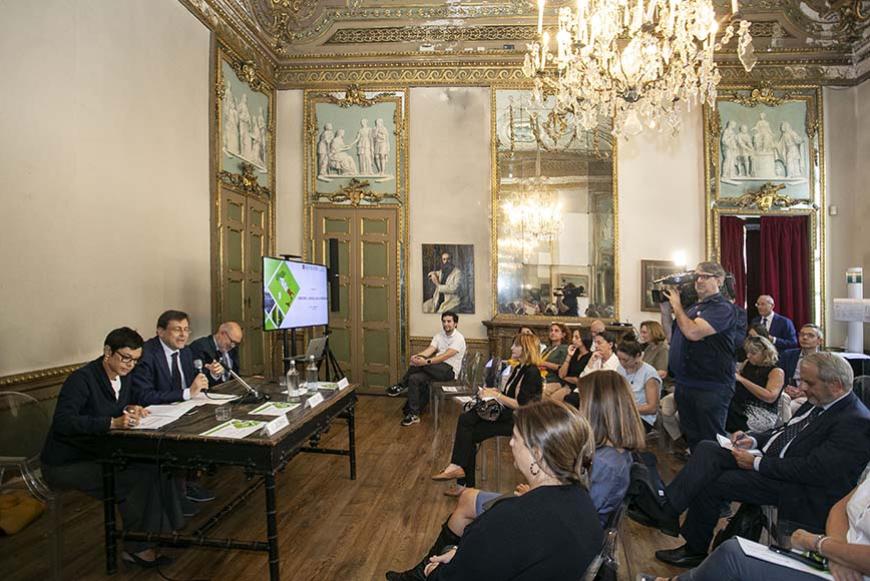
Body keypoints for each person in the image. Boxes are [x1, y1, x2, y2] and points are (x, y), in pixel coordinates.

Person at [632, 352, 870, 568]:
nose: (802, 388)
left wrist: (755, 463)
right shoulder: (820, 400)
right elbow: (786, 432)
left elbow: (814, 470)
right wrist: (753, 440)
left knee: (714, 481)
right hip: (774, 463)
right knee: (706, 448)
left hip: (798, 486)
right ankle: (669, 512)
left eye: (809, 383)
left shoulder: (854, 421)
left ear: (836, 386)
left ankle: (687, 540)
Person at [386, 400, 603, 581]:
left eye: (515, 438)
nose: (510, 444)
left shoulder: (511, 518)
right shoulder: (584, 504)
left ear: (536, 454)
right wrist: (462, 555)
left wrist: (433, 572)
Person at [41, 327, 184, 568]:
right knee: (134, 479)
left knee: (154, 465)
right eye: (126, 358)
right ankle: (137, 549)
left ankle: (160, 533)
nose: (130, 365)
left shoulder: (123, 376)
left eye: (135, 360)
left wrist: (129, 409)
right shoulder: (82, 378)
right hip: (66, 462)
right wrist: (111, 422)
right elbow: (64, 422)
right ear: (108, 351)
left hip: (97, 453)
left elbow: (109, 406)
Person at [637, 467, 870, 581]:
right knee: (711, 462)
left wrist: (820, 543)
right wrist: (838, 552)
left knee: (733, 554)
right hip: (837, 557)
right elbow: (841, 507)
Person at [431, 333, 542, 494]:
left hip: (518, 421)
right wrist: (493, 391)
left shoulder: (532, 372)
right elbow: (509, 395)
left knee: (466, 422)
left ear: (525, 348)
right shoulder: (520, 368)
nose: (511, 348)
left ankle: (460, 475)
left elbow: (521, 405)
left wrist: (496, 395)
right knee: (468, 432)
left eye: (515, 345)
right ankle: (462, 480)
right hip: (507, 415)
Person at [665, 261, 738, 450]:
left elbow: (693, 333)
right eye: (696, 276)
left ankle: (716, 478)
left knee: (710, 442)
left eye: (705, 276)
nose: (699, 281)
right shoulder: (691, 309)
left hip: (710, 387)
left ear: (720, 280)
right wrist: (666, 308)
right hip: (686, 384)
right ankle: (698, 476)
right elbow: (670, 336)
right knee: (694, 441)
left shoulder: (722, 308)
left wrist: (677, 306)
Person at [387, 311, 466, 426]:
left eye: (449, 321)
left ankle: (401, 385)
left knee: (420, 364)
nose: (446, 324)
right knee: (414, 378)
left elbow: (444, 356)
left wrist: (425, 361)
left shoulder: (459, 338)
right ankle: (414, 414)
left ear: (455, 324)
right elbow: (430, 350)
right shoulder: (439, 336)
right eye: (444, 321)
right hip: (435, 369)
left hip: (449, 371)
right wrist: (418, 357)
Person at [132, 310, 212, 406]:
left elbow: (194, 383)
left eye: (186, 329)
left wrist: (211, 374)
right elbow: (144, 396)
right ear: (161, 332)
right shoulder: (146, 354)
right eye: (177, 330)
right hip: (159, 413)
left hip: (187, 407)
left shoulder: (186, 351)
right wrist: (187, 393)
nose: (183, 335)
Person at [726, 336, 785, 433]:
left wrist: (742, 380)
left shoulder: (776, 371)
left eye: (753, 353)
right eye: (747, 352)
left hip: (761, 412)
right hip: (740, 405)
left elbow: (770, 396)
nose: (748, 356)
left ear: (765, 353)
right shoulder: (748, 363)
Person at [616, 341, 661, 432]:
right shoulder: (620, 369)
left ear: (637, 356)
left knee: (617, 430)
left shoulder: (649, 374)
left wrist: (626, 408)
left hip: (642, 417)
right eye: (619, 359)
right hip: (623, 412)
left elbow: (652, 408)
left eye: (625, 360)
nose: (622, 363)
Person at [779, 323, 824, 412]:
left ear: (819, 341)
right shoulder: (788, 355)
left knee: (789, 407)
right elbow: (780, 376)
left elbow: (825, 384)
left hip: (812, 396)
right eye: (802, 334)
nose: (805, 338)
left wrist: (805, 392)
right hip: (788, 393)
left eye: (810, 335)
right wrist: (786, 389)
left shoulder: (825, 359)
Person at [188, 321, 243, 386]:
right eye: (232, 341)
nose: (233, 346)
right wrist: (213, 374)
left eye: (236, 343)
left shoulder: (232, 349)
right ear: (222, 333)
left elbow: (235, 375)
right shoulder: (199, 346)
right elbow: (194, 378)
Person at [552, 330, 593, 398]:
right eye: (573, 337)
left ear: (584, 339)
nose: (573, 340)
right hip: (562, 383)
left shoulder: (590, 356)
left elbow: (579, 380)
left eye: (576, 337)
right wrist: (569, 356)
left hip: (576, 388)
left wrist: (565, 378)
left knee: (553, 399)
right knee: (543, 392)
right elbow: (561, 375)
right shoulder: (573, 353)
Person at [539, 322, 568, 392]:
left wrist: (545, 363)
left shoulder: (565, 348)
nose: (553, 333)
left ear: (563, 335)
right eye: (551, 330)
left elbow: (561, 367)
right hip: (540, 376)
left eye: (556, 331)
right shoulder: (547, 349)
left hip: (553, 380)